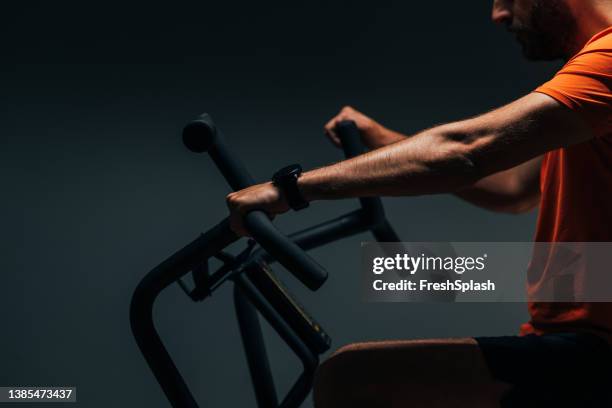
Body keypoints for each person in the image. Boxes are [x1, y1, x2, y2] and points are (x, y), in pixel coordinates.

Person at [226, 0, 612, 406]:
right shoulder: (589, 79)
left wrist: (289, 189)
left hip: (593, 354)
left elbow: (465, 150)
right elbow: (514, 188)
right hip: (572, 342)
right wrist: (385, 141)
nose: (498, 14)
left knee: (354, 380)